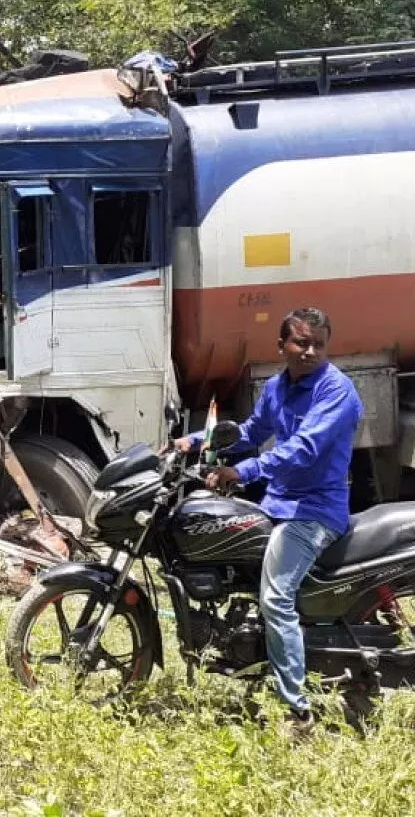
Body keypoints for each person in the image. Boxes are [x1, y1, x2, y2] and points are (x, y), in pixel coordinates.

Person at [172, 307, 362, 730]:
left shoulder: (337, 391)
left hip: (313, 511)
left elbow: (303, 449)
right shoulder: (278, 387)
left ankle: (296, 710)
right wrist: (192, 441)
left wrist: (243, 471)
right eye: (301, 342)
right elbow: (251, 432)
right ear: (282, 346)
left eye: (318, 344)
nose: (310, 351)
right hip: (278, 503)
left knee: (275, 597)